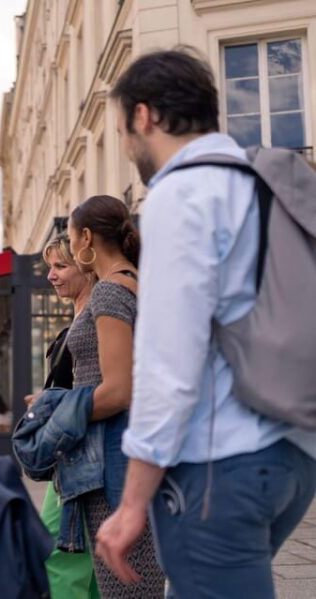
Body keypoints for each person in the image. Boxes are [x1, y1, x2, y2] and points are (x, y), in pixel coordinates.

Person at [95, 49, 316, 598]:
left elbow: (169, 362)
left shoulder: (182, 192)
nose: (127, 148)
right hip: (295, 453)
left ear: (144, 117)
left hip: (221, 461)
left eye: (123, 132)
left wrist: (131, 504)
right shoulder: (262, 179)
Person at [66, 194, 165, 597]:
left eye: (71, 239)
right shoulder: (139, 284)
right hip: (132, 451)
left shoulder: (109, 292)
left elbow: (118, 390)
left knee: (125, 586)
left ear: (86, 238)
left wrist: (61, 412)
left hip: (112, 459)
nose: (71, 248)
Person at [33, 233, 100, 599]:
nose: (51, 275)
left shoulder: (94, 317)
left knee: (62, 553)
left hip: (82, 452)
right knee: (84, 559)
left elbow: (105, 386)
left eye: (61, 266)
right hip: (74, 452)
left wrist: (58, 408)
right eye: (49, 268)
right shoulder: (78, 318)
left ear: (86, 268)